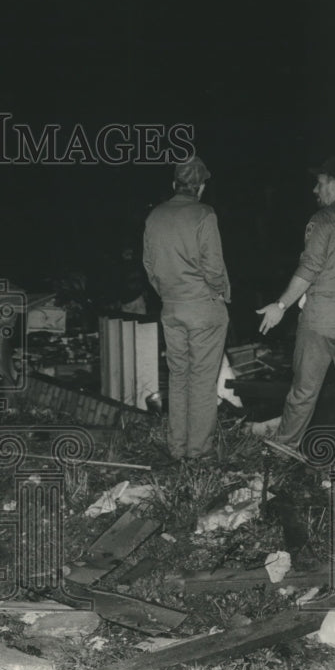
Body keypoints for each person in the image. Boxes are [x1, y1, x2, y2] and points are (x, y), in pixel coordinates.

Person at [256, 156, 335, 470]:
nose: (315, 189)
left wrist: (281, 305)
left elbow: (309, 269)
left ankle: (281, 456)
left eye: (319, 182)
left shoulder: (324, 219)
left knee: (304, 390)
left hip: (325, 314)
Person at [143, 156, 231, 460]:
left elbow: (150, 266)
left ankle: (177, 447)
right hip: (203, 306)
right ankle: (199, 452)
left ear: (174, 184)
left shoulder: (154, 216)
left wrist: (168, 294)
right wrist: (218, 293)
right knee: (203, 381)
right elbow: (214, 267)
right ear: (202, 187)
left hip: (171, 307)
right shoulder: (204, 214)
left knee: (178, 377)